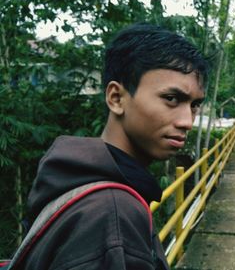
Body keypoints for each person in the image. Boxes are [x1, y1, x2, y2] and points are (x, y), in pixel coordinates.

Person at [21, 23, 207, 269]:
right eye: (171, 99)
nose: (187, 122)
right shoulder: (114, 216)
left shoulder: (73, 178)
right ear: (116, 98)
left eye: (194, 105)